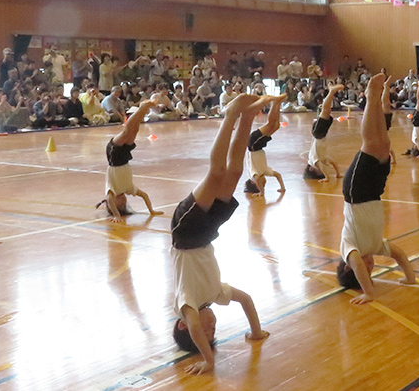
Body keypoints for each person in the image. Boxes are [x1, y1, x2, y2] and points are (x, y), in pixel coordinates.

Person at [169, 94, 271, 374]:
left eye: (207, 331)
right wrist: (256, 332)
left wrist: (209, 359)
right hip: (208, 231)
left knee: (216, 173)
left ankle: (230, 114)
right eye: (215, 332)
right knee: (236, 171)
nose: (212, 327)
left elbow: (193, 325)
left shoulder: (185, 304)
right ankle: (247, 116)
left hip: (186, 233)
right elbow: (247, 300)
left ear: (182, 325)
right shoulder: (215, 293)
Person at [335, 74, 416, 301]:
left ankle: (371, 96)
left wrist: (369, 293)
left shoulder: (349, 249)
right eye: (372, 270)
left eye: (368, 270)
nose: (370, 266)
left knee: (371, 144)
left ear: (349, 267)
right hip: (374, 193)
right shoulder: (376, 246)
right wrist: (410, 277)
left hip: (356, 191)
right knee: (384, 146)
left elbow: (358, 266)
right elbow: (398, 254)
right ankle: (380, 99)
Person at [96, 98, 163, 221]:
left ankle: (142, 108)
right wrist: (151, 210)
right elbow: (144, 196)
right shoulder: (128, 188)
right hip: (124, 158)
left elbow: (109, 200)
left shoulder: (111, 190)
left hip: (114, 157)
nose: (122, 200)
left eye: (119, 203)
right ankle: (144, 109)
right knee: (134, 131)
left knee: (127, 132)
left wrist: (116, 214)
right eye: (124, 203)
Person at [243, 94, 288, 196]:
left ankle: (274, 102)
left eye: (262, 185)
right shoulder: (265, 171)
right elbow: (278, 175)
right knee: (276, 126)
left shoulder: (253, 174)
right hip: (258, 146)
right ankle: (277, 103)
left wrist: (261, 192)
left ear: (253, 183)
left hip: (253, 145)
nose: (264, 183)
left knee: (270, 124)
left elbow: (257, 179)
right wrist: (282, 187)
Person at [305, 85, 343, 181]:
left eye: (318, 172)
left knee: (325, 111)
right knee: (326, 111)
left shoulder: (313, 161)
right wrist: (338, 174)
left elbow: (320, 165)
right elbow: (333, 163)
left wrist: (327, 177)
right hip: (322, 135)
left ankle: (331, 91)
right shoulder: (323, 159)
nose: (320, 171)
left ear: (311, 169)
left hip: (317, 134)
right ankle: (331, 91)